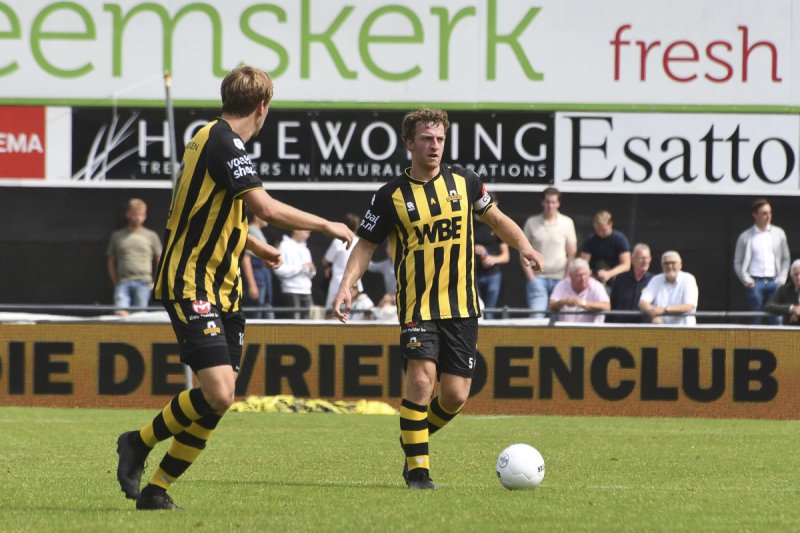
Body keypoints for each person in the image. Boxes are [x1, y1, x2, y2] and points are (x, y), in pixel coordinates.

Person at [115, 65, 354, 511]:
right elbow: (265, 207)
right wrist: (326, 224)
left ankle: (157, 489)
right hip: (192, 281)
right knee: (220, 392)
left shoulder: (210, 138)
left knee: (218, 401)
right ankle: (138, 441)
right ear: (263, 106)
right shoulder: (224, 141)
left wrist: (256, 245)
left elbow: (209, 211)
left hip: (224, 288)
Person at [331, 108, 543, 490]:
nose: (435, 146)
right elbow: (365, 246)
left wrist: (525, 246)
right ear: (409, 143)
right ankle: (418, 473)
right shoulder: (390, 196)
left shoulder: (465, 181)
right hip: (418, 306)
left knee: (455, 396)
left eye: (440, 139)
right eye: (427, 139)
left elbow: (496, 219)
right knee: (420, 381)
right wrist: (346, 285)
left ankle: (413, 435)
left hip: (462, 305)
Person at [733, 198, 790, 325]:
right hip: (755, 282)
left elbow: (786, 258)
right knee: (756, 317)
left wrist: (782, 278)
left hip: (774, 281)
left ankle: (777, 339)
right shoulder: (746, 236)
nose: (768, 216)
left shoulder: (779, 233)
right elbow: (737, 262)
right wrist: (746, 280)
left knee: (777, 318)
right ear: (755, 215)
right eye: (764, 213)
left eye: (770, 212)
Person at [522, 187, 577, 316]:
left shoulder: (567, 222)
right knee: (536, 318)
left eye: (553, 202)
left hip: (560, 279)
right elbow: (523, 251)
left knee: (559, 320)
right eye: (547, 202)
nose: (550, 205)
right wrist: (531, 277)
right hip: (537, 278)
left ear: (558, 203)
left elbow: (572, 253)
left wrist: (566, 278)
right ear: (542, 202)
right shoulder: (531, 222)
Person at [106, 198, 162, 316]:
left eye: (140, 215)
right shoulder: (117, 236)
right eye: (135, 214)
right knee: (120, 313)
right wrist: (116, 282)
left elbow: (160, 261)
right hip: (123, 282)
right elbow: (111, 262)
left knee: (139, 317)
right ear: (128, 214)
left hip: (144, 283)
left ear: (145, 216)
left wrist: (155, 283)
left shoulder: (151, 236)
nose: (137, 218)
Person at [638, 251, 698, 325]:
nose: (669, 266)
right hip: (661, 329)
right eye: (666, 263)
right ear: (662, 265)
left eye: (673, 263)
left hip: (684, 329)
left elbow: (689, 306)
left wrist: (665, 310)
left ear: (680, 264)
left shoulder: (688, 279)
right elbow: (642, 302)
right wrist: (653, 313)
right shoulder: (656, 279)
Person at [474, 198, 510, 319]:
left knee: (489, 313)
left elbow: (506, 256)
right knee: (476, 311)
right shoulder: (468, 223)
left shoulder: (497, 226)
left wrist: (492, 259)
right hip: (472, 274)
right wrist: (472, 248)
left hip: (492, 275)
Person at [548, 258, 610, 323]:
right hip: (566, 328)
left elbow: (606, 306)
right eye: (579, 275)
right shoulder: (563, 284)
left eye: (585, 274)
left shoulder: (596, 286)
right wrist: (563, 302)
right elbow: (551, 305)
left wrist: (583, 303)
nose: (583, 278)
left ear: (590, 273)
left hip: (591, 328)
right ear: (571, 276)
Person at [580, 210, 631, 288]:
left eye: (603, 230)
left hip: (615, 279)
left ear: (610, 224)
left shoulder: (620, 239)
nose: (600, 233)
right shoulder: (590, 240)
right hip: (594, 279)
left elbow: (626, 265)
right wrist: (589, 274)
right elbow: (583, 263)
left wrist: (609, 274)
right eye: (598, 230)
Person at [322, 213, 361, 313]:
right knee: (349, 315)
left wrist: (330, 266)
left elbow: (325, 261)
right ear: (357, 227)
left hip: (338, 284)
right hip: (355, 284)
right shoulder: (360, 243)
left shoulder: (337, 241)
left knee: (331, 313)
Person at [274, 230, 316, 319]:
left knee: (311, 320)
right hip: (291, 290)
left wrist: (312, 270)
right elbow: (278, 270)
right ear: (296, 230)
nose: (308, 236)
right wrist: (300, 267)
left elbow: (310, 274)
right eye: (306, 232)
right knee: (295, 321)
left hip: (306, 290)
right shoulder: (284, 246)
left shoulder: (305, 249)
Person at [608, 243, 654, 323]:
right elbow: (612, 303)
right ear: (632, 260)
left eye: (648, 258)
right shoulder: (620, 279)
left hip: (645, 327)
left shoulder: (654, 280)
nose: (645, 261)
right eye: (642, 258)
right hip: (621, 326)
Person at [241, 211, 274, 319]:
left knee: (266, 309)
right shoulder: (251, 230)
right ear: (256, 216)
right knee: (256, 313)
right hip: (257, 278)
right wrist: (252, 285)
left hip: (264, 278)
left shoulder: (257, 231)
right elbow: (246, 258)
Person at [764, 259, 800, 324]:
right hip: (791, 328)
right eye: (796, 274)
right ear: (791, 276)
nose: (798, 277)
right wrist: (791, 308)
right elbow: (769, 306)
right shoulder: (785, 289)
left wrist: (798, 315)